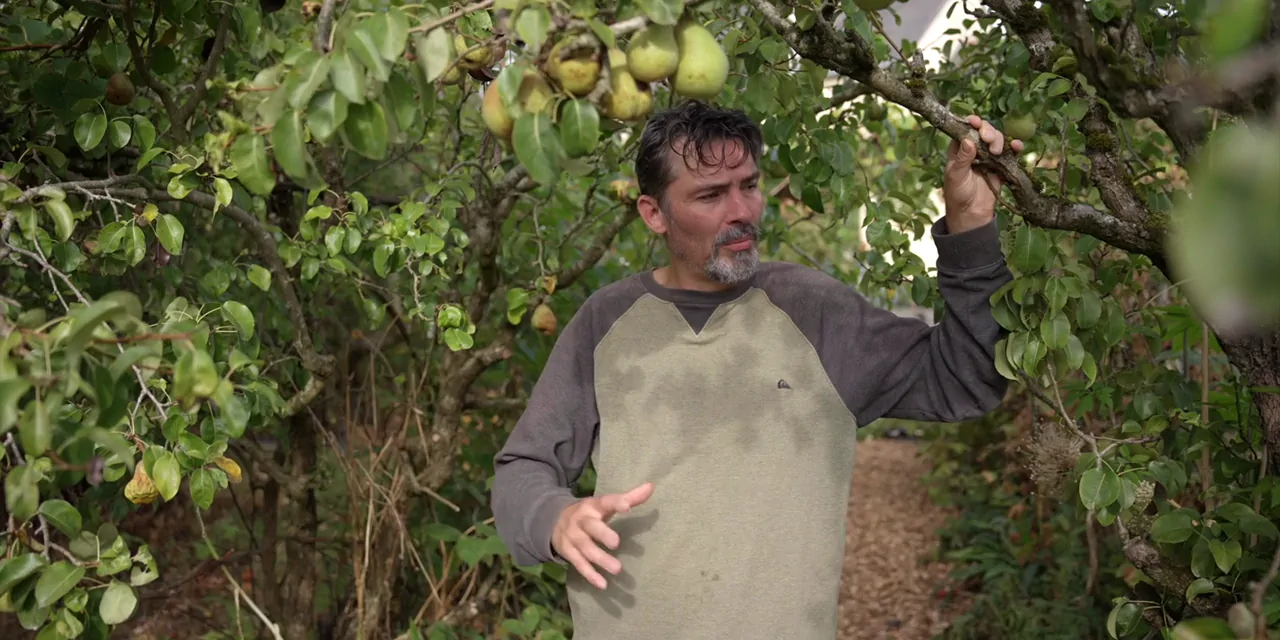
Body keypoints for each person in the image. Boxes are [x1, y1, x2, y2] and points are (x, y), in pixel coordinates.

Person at [490, 99, 1023, 640]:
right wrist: (552, 518)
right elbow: (522, 469)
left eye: (749, 185)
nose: (741, 210)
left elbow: (965, 379)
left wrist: (971, 226)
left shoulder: (815, 311)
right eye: (710, 195)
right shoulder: (605, 323)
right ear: (654, 214)